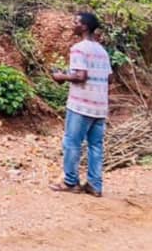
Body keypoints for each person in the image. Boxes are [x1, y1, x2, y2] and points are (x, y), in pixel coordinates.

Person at [50, 12, 112, 197]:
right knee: (95, 146)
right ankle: (95, 185)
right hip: (100, 106)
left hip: (80, 105)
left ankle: (71, 182)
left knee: (72, 142)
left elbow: (80, 76)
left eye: (75, 22)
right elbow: (110, 78)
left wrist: (61, 77)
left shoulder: (78, 48)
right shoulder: (102, 50)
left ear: (84, 27)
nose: (72, 25)